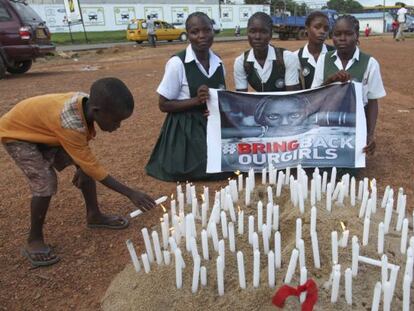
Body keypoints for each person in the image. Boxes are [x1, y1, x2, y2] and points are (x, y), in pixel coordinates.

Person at [0, 78, 156, 267]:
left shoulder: (86, 105)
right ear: (97, 111)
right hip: (18, 134)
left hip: (47, 129)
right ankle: (34, 240)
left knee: (85, 167)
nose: (118, 126)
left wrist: (83, 166)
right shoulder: (71, 122)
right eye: (116, 121)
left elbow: (84, 154)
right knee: (46, 180)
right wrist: (131, 193)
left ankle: (94, 215)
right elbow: (91, 162)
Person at [146, 12, 227, 181]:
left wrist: (215, 109)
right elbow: (163, 105)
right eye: (195, 32)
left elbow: (221, 98)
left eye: (207, 30)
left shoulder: (218, 62)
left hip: (211, 123)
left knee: (229, 163)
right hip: (185, 126)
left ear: (213, 31)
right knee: (201, 169)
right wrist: (197, 101)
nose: (202, 36)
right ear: (188, 35)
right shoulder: (177, 63)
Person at [311, 15, 386, 159]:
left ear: (357, 35)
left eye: (348, 34)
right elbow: (314, 95)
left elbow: (372, 102)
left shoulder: (370, 63)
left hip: (356, 125)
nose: (342, 38)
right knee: (322, 166)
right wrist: (329, 81)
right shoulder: (323, 60)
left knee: (349, 169)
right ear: (332, 36)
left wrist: (369, 135)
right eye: (337, 34)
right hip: (326, 122)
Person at [234, 12, 300, 92]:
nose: (257, 37)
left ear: (271, 34)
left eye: (263, 32)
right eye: (252, 31)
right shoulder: (241, 62)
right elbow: (241, 98)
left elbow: (292, 97)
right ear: (247, 33)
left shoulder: (287, 58)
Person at [294, 11, 335, 90]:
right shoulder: (296, 57)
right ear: (306, 29)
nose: (322, 31)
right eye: (317, 27)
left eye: (326, 29)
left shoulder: (335, 54)